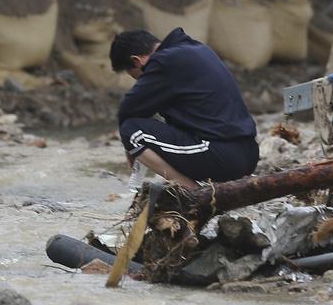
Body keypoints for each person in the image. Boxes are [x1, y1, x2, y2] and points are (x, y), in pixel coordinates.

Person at [109, 28, 259, 189]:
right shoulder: (196, 49)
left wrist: (129, 148)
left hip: (222, 156)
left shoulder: (163, 62)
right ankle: (190, 189)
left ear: (137, 61)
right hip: (249, 153)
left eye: (138, 77)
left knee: (131, 131)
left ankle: (192, 194)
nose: (143, 82)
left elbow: (127, 109)